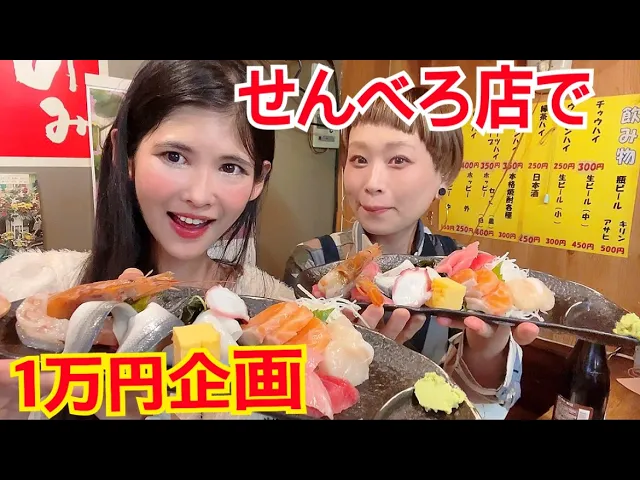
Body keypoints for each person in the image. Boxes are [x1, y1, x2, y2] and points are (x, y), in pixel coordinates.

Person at [0, 60, 295, 420]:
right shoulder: (31, 286)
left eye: (230, 167)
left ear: (259, 180)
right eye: (175, 156)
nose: (199, 195)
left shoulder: (278, 313)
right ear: (126, 155)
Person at [283, 87, 540, 419]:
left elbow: (488, 399)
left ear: (444, 174)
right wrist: (352, 361)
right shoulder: (314, 262)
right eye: (359, 159)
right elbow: (286, 388)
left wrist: (487, 351)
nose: (372, 182)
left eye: (398, 160)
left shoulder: (463, 269)